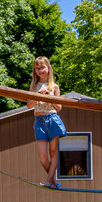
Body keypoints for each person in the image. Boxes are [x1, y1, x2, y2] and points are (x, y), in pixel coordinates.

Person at [28, 56, 67, 189]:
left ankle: (49, 181)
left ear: (48, 68)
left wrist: (49, 96)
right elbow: (29, 105)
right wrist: (37, 95)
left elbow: (59, 107)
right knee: (43, 156)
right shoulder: (34, 86)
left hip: (52, 118)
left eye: (42, 67)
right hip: (39, 120)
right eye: (37, 68)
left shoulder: (54, 87)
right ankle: (53, 181)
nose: (40, 70)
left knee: (53, 151)